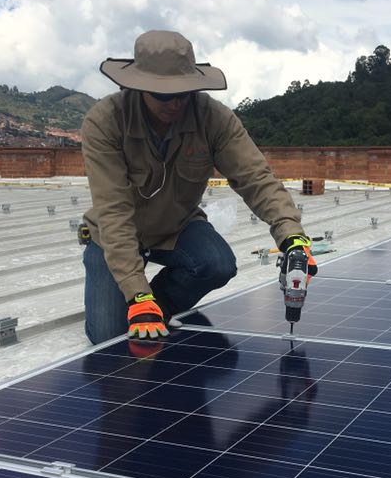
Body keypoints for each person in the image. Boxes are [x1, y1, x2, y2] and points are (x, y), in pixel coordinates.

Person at [81, 29, 316, 345]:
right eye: (164, 94)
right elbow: (113, 210)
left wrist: (291, 236)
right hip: (113, 234)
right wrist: (136, 292)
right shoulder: (104, 121)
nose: (175, 103)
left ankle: (157, 305)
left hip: (175, 227)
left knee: (217, 264)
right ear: (137, 87)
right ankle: (137, 303)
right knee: (108, 335)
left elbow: (256, 178)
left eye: (184, 92)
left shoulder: (213, 118)